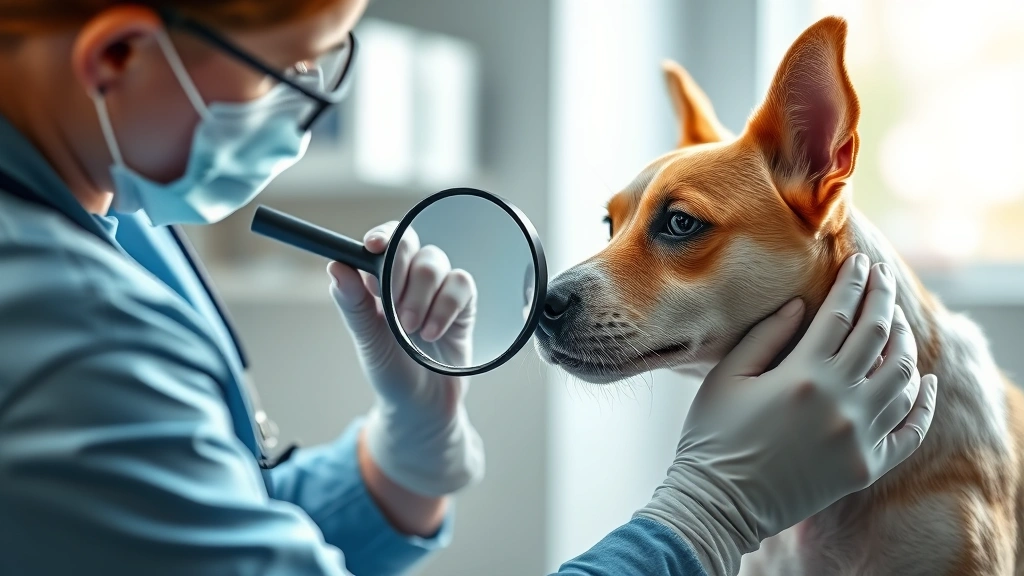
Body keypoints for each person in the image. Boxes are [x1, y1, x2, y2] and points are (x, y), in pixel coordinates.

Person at [0, 1, 936, 575]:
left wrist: (400, 462)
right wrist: (704, 519)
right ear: (117, 56)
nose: (310, 109)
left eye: (332, 61)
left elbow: (194, 529)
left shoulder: (112, 214)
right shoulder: (69, 330)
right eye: (287, 69)